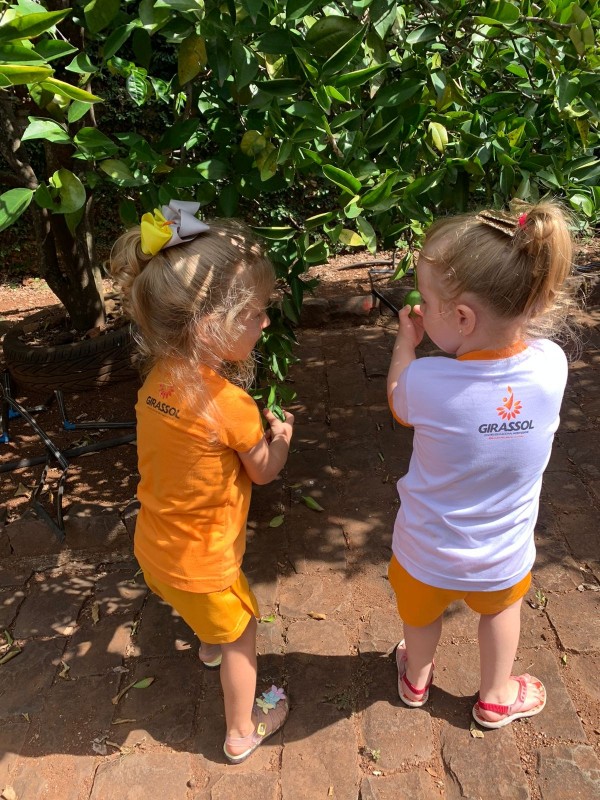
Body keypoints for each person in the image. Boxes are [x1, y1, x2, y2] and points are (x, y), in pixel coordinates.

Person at [110, 200, 294, 762]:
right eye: (256, 313)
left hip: (155, 550)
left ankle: (209, 640)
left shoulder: (156, 382)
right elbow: (263, 471)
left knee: (208, 616)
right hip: (204, 567)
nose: (265, 323)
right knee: (243, 632)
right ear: (211, 325)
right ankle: (242, 729)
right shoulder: (231, 404)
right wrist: (283, 437)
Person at [386, 201, 577, 728]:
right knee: (500, 613)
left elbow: (399, 398)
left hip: (425, 549)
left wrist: (406, 344)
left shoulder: (427, 382)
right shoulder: (552, 365)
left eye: (428, 303)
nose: (422, 309)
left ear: (464, 317)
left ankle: (416, 678)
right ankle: (495, 696)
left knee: (419, 616)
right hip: (503, 554)